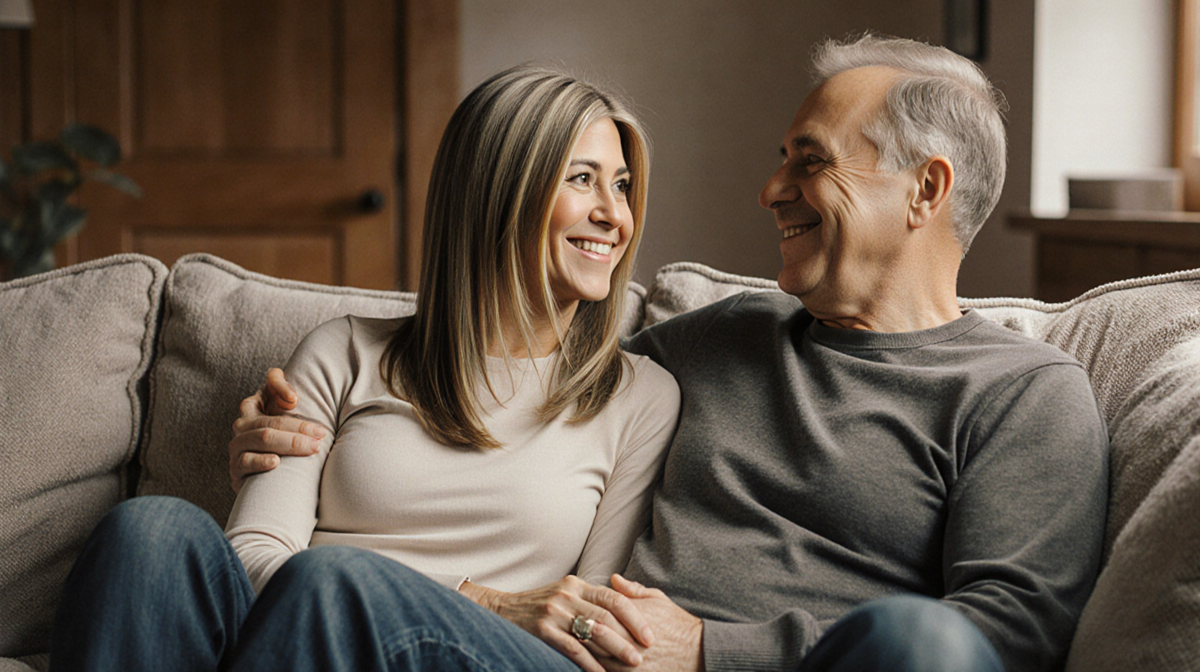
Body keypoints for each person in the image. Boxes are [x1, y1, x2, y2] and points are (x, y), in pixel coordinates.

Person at [232, 34, 1109, 672]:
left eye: (809, 164)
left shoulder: (1025, 392)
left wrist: (713, 652)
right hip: (587, 664)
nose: (771, 191)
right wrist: (286, 437)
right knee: (275, 567)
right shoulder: (713, 340)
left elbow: (1008, 636)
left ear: (926, 188)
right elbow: (525, 377)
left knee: (925, 645)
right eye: (781, 162)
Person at [50, 65, 681, 672]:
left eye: (622, 185)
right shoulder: (342, 352)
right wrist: (470, 593)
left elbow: (595, 627)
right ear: (495, 193)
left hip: (487, 656)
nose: (614, 215)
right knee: (150, 529)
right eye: (582, 180)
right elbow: (253, 556)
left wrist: (401, 595)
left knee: (331, 576)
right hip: (309, 622)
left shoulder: (640, 398)